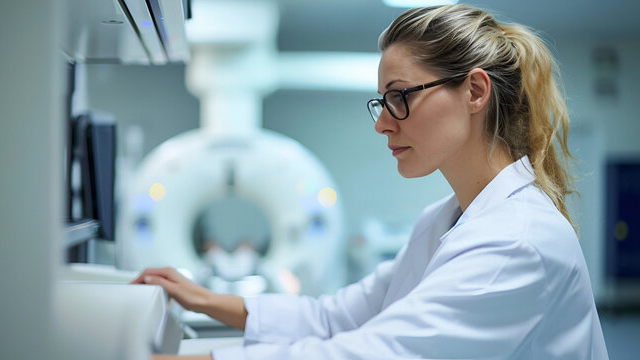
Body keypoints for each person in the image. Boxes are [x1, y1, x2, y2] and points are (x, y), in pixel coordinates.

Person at [135, 4, 609, 359]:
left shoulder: (517, 242)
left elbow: (379, 352)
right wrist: (203, 299)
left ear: (476, 92)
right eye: (382, 101)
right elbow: (335, 318)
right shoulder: (443, 222)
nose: (383, 123)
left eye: (400, 97)